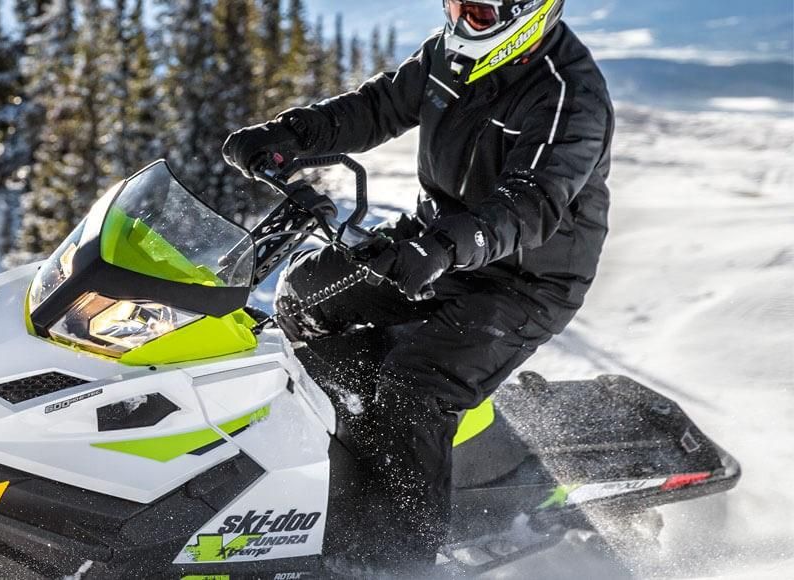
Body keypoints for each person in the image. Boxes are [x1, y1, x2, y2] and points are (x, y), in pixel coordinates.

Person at [221, 0, 612, 574]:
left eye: (477, 12)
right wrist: (288, 135)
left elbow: (531, 203)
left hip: (522, 281)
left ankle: (399, 559)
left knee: (413, 388)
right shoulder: (448, 55)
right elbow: (377, 107)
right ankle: (335, 463)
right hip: (434, 242)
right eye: (455, 5)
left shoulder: (566, 94)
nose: (461, 22)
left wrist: (445, 248)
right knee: (307, 295)